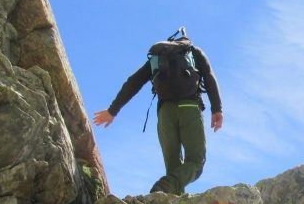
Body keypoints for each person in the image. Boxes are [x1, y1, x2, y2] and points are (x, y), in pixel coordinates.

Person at [93, 32, 223, 195]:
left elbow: (133, 82)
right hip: (189, 107)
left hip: (165, 113)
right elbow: (209, 77)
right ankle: (165, 186)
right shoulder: (194, 52)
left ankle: (170, 199)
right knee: (196, 162)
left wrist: (112, 111)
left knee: (173, 168)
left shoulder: (158, 59)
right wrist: (217, 109)